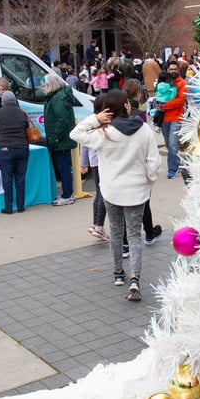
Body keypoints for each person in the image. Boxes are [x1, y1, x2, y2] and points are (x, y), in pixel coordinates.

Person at [70, 89, 160, 301]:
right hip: (137, 191)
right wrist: (148, 180)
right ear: (126, 106)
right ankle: (135, 278)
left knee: (117, 232)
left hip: (111, 190)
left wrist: (95, 119)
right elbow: (154, 163)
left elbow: (75, 134)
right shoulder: (145, 129)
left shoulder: (104, 132)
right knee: (135, 234)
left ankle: (118, 273)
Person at [124, 79, 163, 245]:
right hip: (138, 163)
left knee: (123, 205)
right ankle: (148, 232)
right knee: (144, 201)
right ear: (138, 94)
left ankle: (125, 242)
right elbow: (146, 143)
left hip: (122, 165)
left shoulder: (116, 115)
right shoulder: (139, 115)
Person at [0, 90, 30, 214]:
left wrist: (1, 142)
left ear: (3, 102)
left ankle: (8, 207)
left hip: (5, 148)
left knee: (7, 179)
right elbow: (26, 129)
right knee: (20, 178)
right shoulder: (22, 113)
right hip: (22, 148)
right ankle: (20, 206)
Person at [41, 71, 77, 206]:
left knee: (64, 168)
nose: (43, 88)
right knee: (64, 167)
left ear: (51, 85)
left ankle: (67, 195)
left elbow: (62, 120)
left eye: (44, 85)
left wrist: (56, 138)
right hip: (61, 139)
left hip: (60, 140)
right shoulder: (58, 97)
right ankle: (67, 193)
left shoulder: (58, 99)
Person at [80, 93, 108, 241]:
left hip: (94, 162)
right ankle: (99, 226)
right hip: (102, 161)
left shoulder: (89, 121)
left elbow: (83, 144)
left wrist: (83, 163)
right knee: (103, 193)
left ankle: (95, 223)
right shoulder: (102, 122)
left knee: (99, 192)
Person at [159, 59, 187, 179]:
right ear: (167, 70)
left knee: (173, 144)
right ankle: (178, 163)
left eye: (175, 69)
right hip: (164, 119)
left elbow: (180, 101)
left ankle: (172, 169)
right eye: (171, 69)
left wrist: (164, 105)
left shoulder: (182, 83)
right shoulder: (164, 81)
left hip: (176, 118)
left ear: (179, 70)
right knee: (168, 144)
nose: (173, 71)